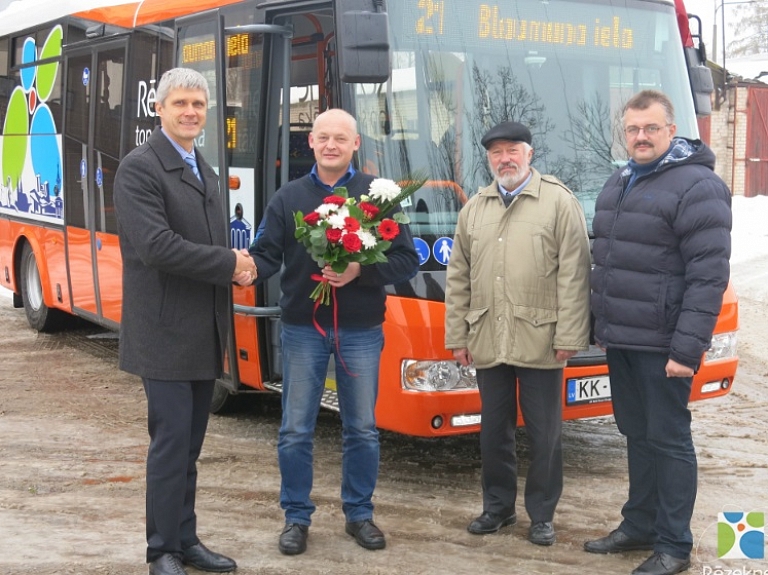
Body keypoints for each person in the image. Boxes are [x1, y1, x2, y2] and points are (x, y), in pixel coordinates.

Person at [248, 109, 419, 556]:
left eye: (340, 138)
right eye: (323, 137)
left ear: (355, 144)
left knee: (362, 428)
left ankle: (359, 514)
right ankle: (296, 518)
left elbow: (405, 262)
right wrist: (242, 268)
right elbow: (266, 254)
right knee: (295, 429)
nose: (330, 145)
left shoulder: (377, 197)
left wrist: (360, 270)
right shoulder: (289, 198)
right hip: (303, 328)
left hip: (361, 330)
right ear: (311, 143)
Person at [114, 67, 254, 575]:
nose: (191, 112)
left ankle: (186, 540)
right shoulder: (140, 168)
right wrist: (228, 264)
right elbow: (156, 247)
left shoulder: (204, 169)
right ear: (160, 108)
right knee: (171, 445)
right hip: (165, 333)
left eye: (198, 104)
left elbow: (208, 245)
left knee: (190, 447)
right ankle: (161, 552)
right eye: (181, 104)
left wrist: (238, 266)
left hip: (202, 330)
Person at [585, 90, 731, 575]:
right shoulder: (621, 180)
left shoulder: (696, 186)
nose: (640, 137)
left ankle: (674, 544)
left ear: (672, 131)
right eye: (632, 129)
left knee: (668, 441)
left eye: (650, 128)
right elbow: (608, 260)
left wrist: (687, 350)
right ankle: (639, 524)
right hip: (624, 338)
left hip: (665, 345)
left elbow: (707, 277)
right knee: (635, 435)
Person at [444, 121, 591, 546]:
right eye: (496, 153)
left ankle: (541, 515)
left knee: (545, 433)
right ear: (488, 160)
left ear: (529, 154)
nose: (504, 159)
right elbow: (459, 278)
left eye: (512, 151)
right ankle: (498, 509)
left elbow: (574, 274)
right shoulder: (475, 208)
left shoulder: (558, 202)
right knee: (494, 430)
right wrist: (458, 336)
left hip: (542, 337)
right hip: (487, 336)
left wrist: (570, 333)